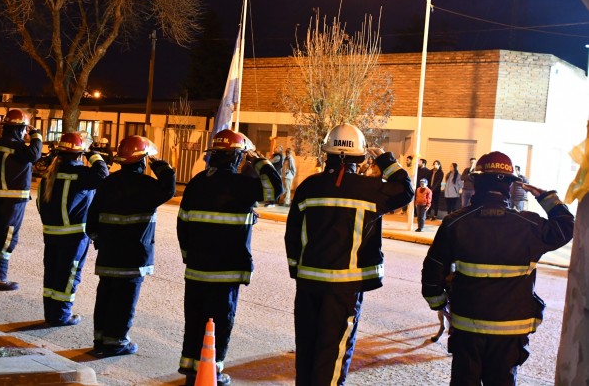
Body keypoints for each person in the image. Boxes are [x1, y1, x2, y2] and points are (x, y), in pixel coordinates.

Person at [421, 151, 574, 386]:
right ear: (511, 187)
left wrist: (440, 304)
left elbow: (432, 273)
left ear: (477, 182)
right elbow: (566, 226)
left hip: (467, 329)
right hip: (509, 334)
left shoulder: (455, 223)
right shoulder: (530, 225)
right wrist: (546, 197)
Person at [285, 123, 413, 385]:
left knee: (307, 350)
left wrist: (296, 270)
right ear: (361, 158)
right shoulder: (371, 189)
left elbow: (292, 235)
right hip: (344, 289)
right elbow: (405, 189)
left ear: (326, 154)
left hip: (308, 285)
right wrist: (386, 160)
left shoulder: (309, 187)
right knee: (332, 354)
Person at [177, 129, 283, 386]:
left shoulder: (198, 182)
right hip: (226, 272)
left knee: (195, 320)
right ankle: (210, 371)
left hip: (197, 269)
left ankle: (192, 369)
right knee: (220, 322)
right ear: (238, 158)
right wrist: (259, 160)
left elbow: (183, 223)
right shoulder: (242, 187)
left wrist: (189, 256)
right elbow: (274, 190)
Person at [87, 135, 175, 357]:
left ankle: (100, 341)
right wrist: (159, 164)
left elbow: (91, 222)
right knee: (124, 302)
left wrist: (99, 240)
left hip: (108, 255)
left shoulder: (107, 183)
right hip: (134, 257)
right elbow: (169, 186)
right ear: (143, 161)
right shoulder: (148, 186)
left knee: (105, 298)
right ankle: (116, 343)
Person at [37, 132, 108, 327]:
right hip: (74, 237)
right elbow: (103, 174)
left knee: (51, 274)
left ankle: (50, 314)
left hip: (51, 235)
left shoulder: (49, 175)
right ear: (79, 154)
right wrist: (93, 154)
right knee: (68, 276)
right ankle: (61, 316)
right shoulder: (80, 175)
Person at [0, 109, 42, 291]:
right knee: (6, 239)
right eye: (24, 129)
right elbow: (35, 154)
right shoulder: (17, 147)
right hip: (11, 203)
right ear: (20, 128)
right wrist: (36, 135)